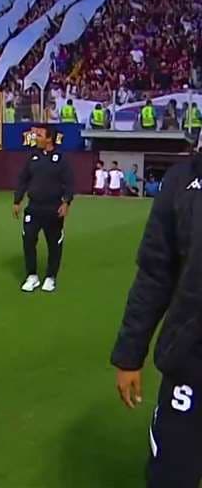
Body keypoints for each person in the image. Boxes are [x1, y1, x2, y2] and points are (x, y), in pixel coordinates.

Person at [110, 152, 202, 487]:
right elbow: (155, 274)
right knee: (171, 476)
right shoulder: (181, 181)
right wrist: (129, 354)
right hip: (191, 365)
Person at [13, 126, 74, 293]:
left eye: (39, 135)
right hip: (34, 207)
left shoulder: (61, 160)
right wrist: (17, 201)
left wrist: (66, 202)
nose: (36, 138)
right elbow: (23, 180)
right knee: (28, 240)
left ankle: (50, 277)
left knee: (54, 244)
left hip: (53, 208)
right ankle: (32, 276)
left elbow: (69, 183)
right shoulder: (32, 157)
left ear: (49, 139)